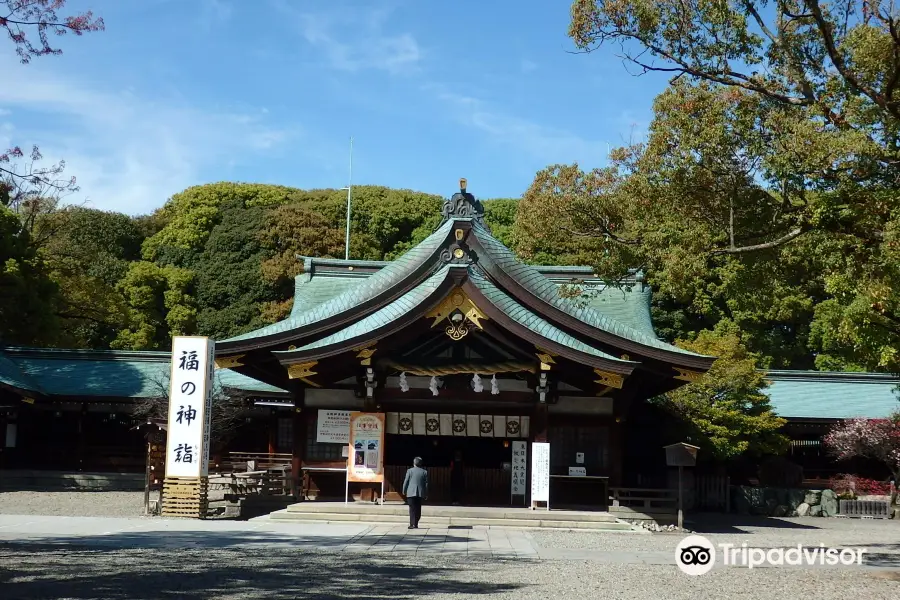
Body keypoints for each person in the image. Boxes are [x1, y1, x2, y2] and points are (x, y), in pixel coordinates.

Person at [402, 456, 428, 529]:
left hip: (410, 492)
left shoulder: (409, 471)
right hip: (420, 493)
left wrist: (404, 490)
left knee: (412, 508)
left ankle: (412, 524)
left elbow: (406, 481)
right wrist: (426, 493)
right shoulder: (424, 472)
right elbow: (426, 484)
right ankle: (415, 523)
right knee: (418, 508)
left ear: (414, 463)